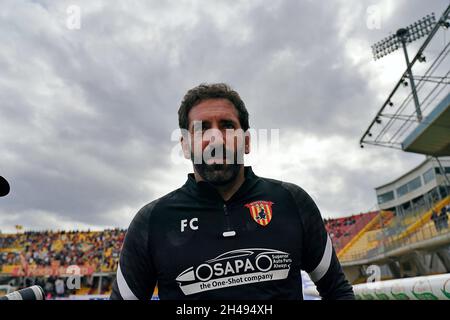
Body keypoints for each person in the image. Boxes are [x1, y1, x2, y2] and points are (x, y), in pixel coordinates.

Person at [110, 83, 354, 300]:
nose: (216, 138)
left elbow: (337, 291)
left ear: (246, 142)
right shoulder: (153, 220)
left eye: (227, 126)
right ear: (185, 146)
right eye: (202, 129)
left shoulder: (292, 202)